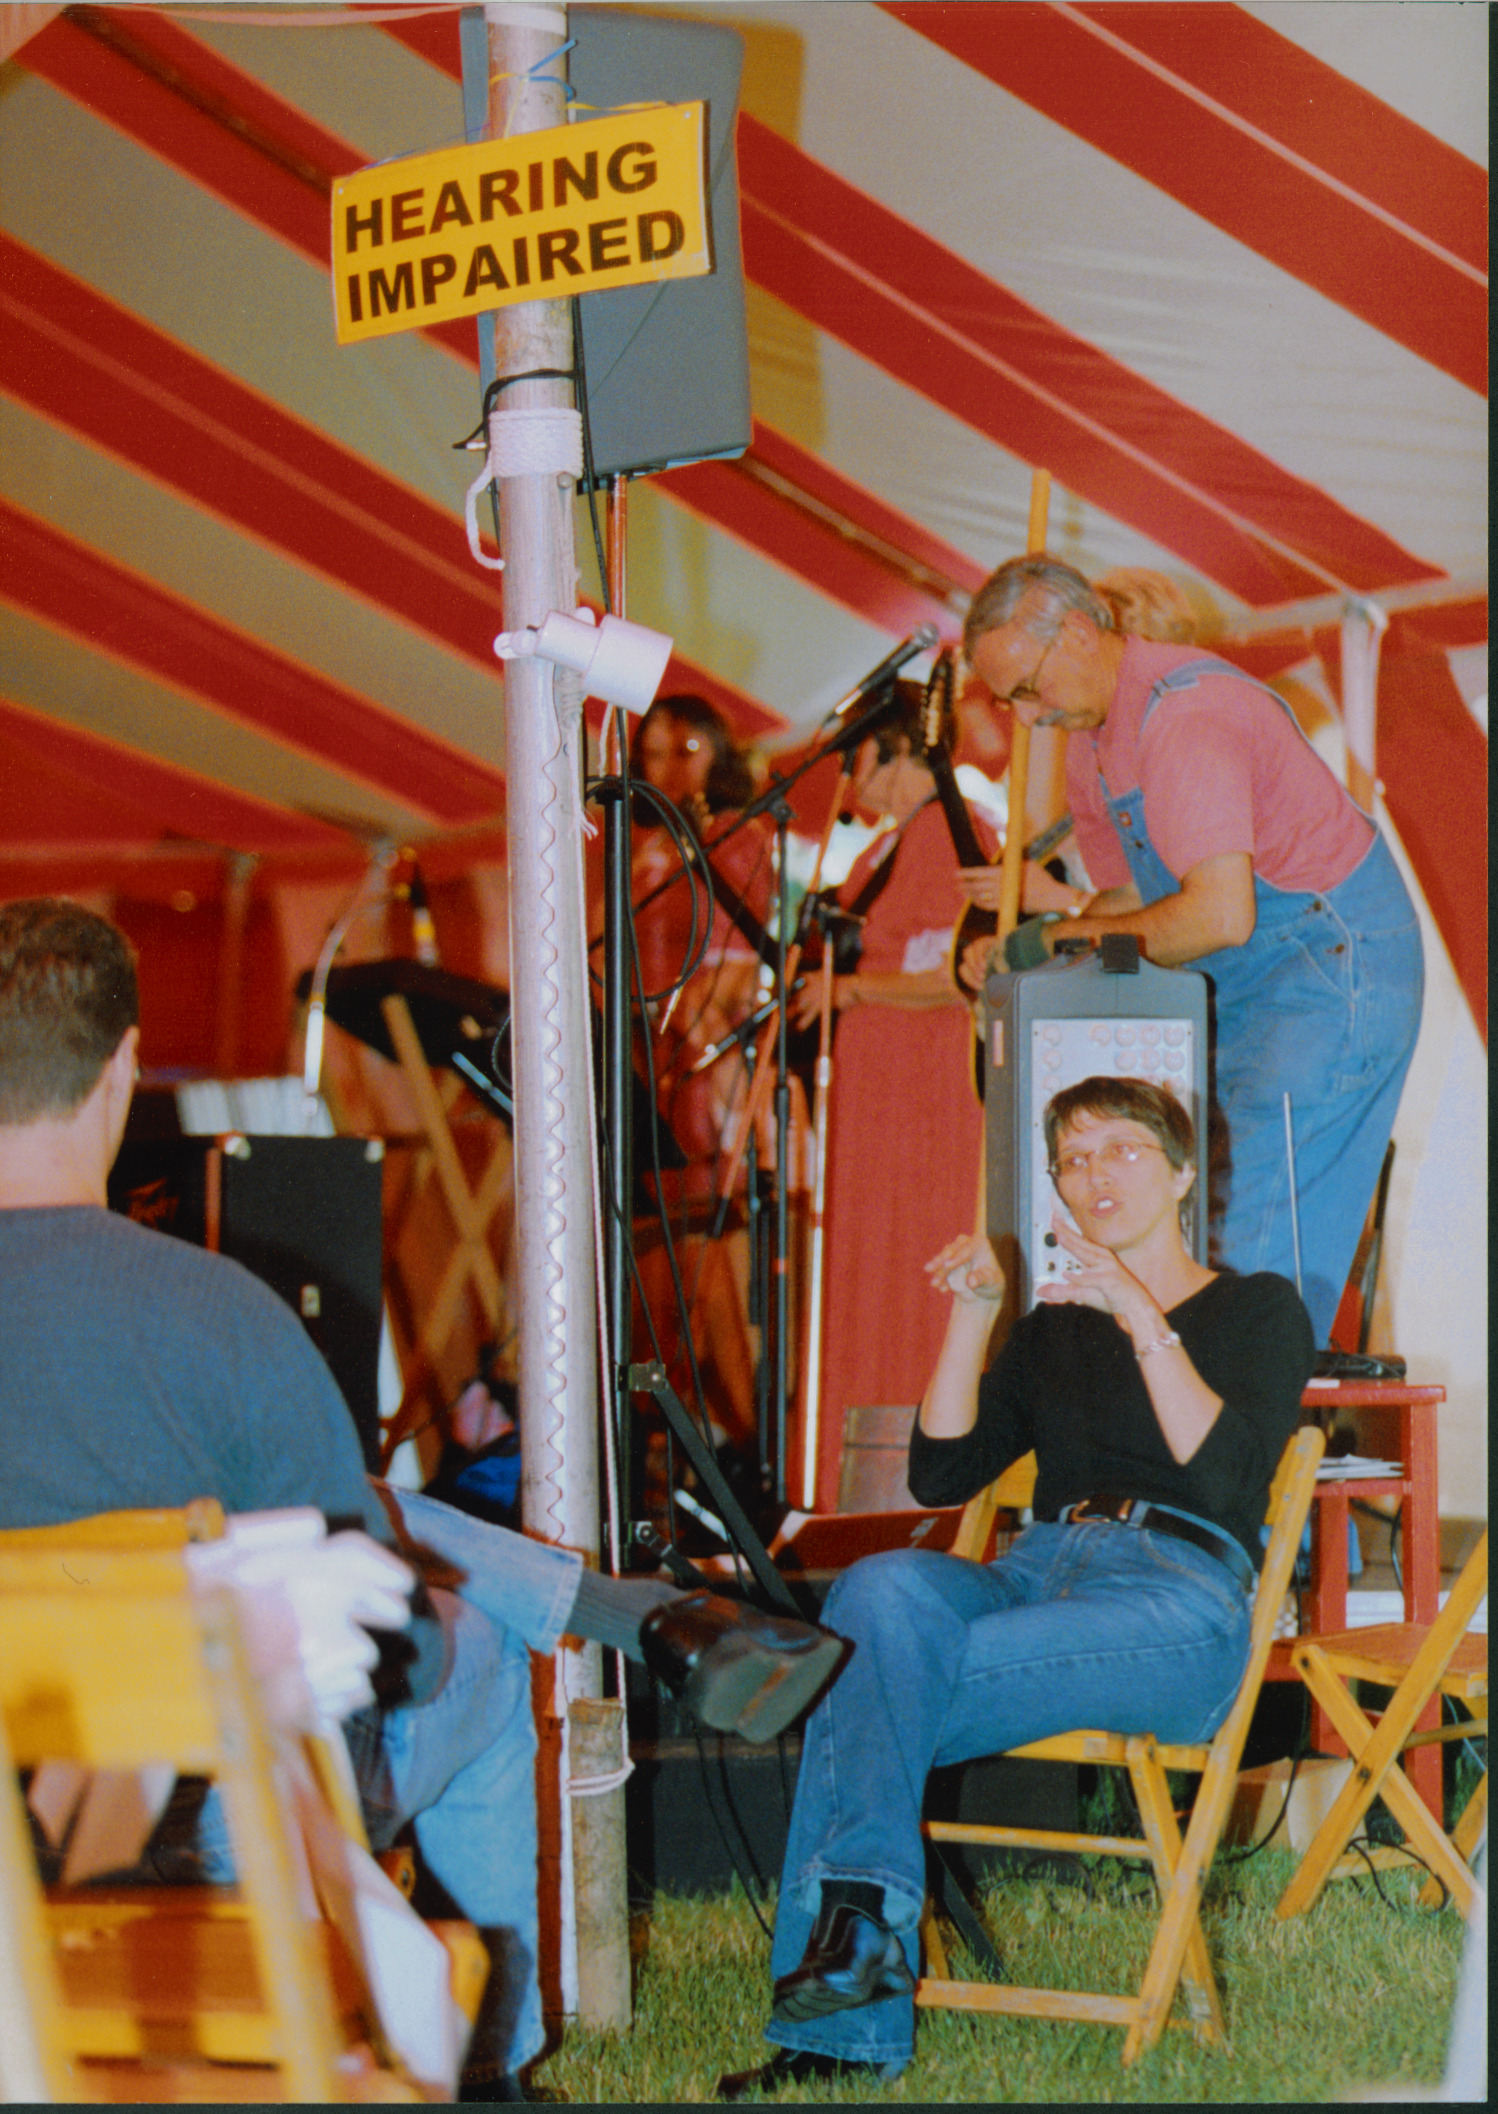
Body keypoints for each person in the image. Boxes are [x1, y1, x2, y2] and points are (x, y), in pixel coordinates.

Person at [0, 897, 846, 2102]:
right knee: (479, 1651)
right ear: (124, 1064)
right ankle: (489, 2067)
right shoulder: (220, 1313)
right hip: (211, 1817)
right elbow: (380, 1643)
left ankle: (613, 1607)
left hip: (23, 1816)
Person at [720, 1076, 1315, 2095]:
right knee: (879, 1591)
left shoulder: (1257, 1308)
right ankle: (850, 1974)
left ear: (1182, 1175)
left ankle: (841, 2015)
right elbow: (940, 1475)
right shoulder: (1050, 1332)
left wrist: (1137, 1309)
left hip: (1177, 1597)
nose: (1094, 1174)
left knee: (863, 1681)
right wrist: (977, 1313)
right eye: (1072, 1160)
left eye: (1121, 1149)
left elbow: (1225, 1477)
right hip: (1039, 1566)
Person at [959, 553, 1423, 1342]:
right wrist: (1033, 959)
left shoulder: (1187, 715)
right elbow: (1132, 905)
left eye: (1029, 689)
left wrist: (1059, 936)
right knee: (1195, 1226)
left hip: (1330, 969)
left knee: (1244, 1243)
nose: (1028, 719)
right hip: (1251, 986)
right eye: (1011, 703)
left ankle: (1247, 1406)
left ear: (1079, 633)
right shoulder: (1092, 742)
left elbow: (1215, 917)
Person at [789, 679, 1073, 1514]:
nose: (854, 786)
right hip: (878, 1090)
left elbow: (961, 972)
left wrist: (851, 990)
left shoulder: (957, 831)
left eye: (857, 763)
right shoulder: (891, 844)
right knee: (865, 1267)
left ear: (893, 749)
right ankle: (849, 1483)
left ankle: (909, 1481)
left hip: (924, 1088)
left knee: (905, 1264)